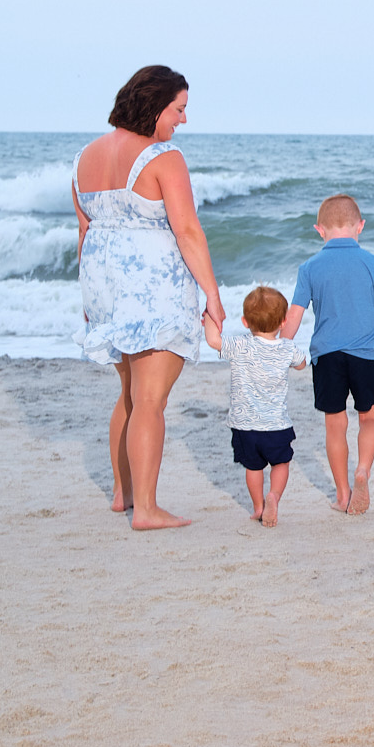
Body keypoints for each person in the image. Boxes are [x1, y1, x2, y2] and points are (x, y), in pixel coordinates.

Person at [71, 65, 224, 531]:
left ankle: (124, 494)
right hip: (152, 286)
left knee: (130, 394)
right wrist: (213, 298)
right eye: (178, 109)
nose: (182, 120)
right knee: (151, 399)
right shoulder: (164, 157)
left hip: (103, 283)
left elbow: (84, 230)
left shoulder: (84, 157)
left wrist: (89, 296)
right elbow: (188, 231)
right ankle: (149, 510)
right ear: (155, 106)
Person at [281, 193, 374, 514]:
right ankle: (362, 469)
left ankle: (342, 494)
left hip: (327, 356)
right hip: (365, 355)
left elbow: (293, 315)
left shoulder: (309, 268)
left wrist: (279, 349)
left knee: (335, 425)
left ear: (319, 230)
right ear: (360, 226)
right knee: (370, 418)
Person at [204, 285, 307, 528]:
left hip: (244, 426)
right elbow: (303, 364)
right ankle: (274, 496)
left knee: (253, 468)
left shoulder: (240, 346)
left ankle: (259, 506)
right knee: (281, 464)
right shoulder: (287, 348)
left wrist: (209, 315)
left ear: (244, 321)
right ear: (283, 322)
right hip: (276, 425)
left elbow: (212, 340)